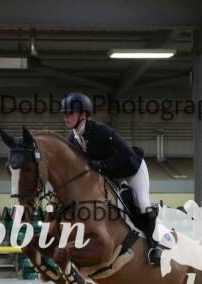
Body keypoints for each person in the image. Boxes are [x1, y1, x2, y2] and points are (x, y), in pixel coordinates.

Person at [60, 91, 161, 265]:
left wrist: (102, 165)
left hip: (131, 168)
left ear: (83, 115)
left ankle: (155, 247)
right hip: (111, 175)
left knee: (142, 203)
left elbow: (125, 154)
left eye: (70, 113)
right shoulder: (73, 140)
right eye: (64, 113)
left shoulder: (100, 131)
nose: (66, 117)